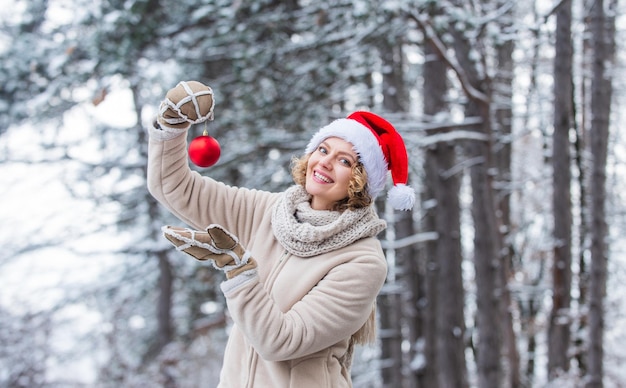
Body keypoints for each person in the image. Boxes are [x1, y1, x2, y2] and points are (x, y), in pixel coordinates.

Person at [147, 81, 415, 388]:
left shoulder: (362, 261)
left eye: (345, 161)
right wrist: (171, 125)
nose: (325, 162)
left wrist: (239, 270)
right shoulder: (267, 211)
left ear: (360, 180)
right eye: (323, 149)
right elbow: (176, 189)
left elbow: (280, 341)